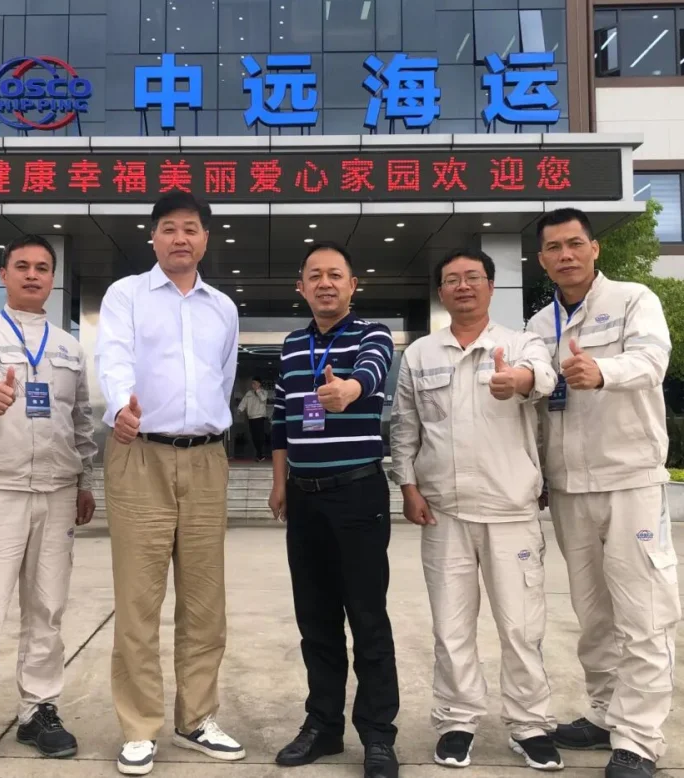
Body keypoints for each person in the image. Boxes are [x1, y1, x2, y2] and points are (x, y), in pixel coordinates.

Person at [390, 249, 563, 772]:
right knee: (451, 628)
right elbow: (405, 425)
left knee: (521, 627)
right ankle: (457, 721)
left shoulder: (520, 343)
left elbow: (545, 377)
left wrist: (521, 381)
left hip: (511, 510)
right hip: (444, 513)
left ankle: (530, 724)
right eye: (452, 280)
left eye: (473, 278)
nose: (463, 286)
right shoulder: (421, 353)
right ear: (441, 292)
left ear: (490, 286)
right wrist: (408, 485)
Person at [526, 208, 679, 778]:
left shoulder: (634, 299)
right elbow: (539, 407)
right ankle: (604, 711)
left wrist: (604, 372)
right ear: (541, 260)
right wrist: (539, 475)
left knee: (643, 611)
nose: (565, 255)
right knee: (592, 613)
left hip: (629, 479)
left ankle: (638, 738)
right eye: (554, 248)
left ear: (595, 249)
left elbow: (653, 360)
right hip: (570, 488)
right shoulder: (539, 324)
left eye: (574, 244)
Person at [95, 191, 242, 776]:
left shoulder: (223, 308)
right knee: (138, 600)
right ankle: (139, 726)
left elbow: (224, 378)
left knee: (205, 602)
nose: (180, 238)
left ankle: (197, 717)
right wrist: (120, 406)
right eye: (169, 228)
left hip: (205, 459)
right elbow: (113, 358)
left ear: (205, 239)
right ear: (152, 237)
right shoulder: (126, 294)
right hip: (139, 453)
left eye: (191, 228)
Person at [0, 234, 97, 769]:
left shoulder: (69, 346)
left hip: (56, 492)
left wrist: (84, 482)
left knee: (47, 610)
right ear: (4, 274)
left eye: (42, 267)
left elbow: (80, 420)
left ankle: (38, 710)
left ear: (53, 278)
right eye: (22, 266)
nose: (33, 275)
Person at [268, 241, 399, 778]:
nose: (326, 283)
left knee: (367, 618)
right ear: (301, 287)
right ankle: (323, 725)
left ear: (352, 285)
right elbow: (281, 419)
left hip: (357, 494)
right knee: (315, 619)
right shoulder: (291, 345)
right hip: (304, 497)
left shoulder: (373, 333)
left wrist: (349, 389)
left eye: (336, 275)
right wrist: (280, 484)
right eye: (315, 276)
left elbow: (373, 370)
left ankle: (378, 735)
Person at [238, 377, 268, 460]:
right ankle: (259, 453)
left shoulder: (264, 392)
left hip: (260, 417)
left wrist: (257, 390)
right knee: (254, 436)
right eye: (252, 383)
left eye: (255, 383)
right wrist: (240, 409)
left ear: (259, 384)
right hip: (251, 418)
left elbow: (263, 399)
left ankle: (260, 453)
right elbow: (244, 402)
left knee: (260, 436)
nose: (253, 385)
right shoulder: (249, 393)